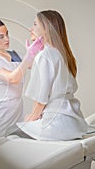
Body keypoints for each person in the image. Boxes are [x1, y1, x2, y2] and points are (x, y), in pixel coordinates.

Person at [17, 10, 89, 141]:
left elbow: (41, 97)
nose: (31, 28)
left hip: (56, 125)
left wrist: (31, 118)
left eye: (35, 24)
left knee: (10, 134)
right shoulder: (63, 54)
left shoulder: (44, 56)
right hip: (74, 123)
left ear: (46, 29)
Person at [0, 19, 43, 138]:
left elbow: (35, 66)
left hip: (15, 112)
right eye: (1, 37)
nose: (7, 39)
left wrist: (39, 51)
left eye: (7, 34)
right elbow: (13, 78)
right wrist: (28, 57)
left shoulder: (13, 54)